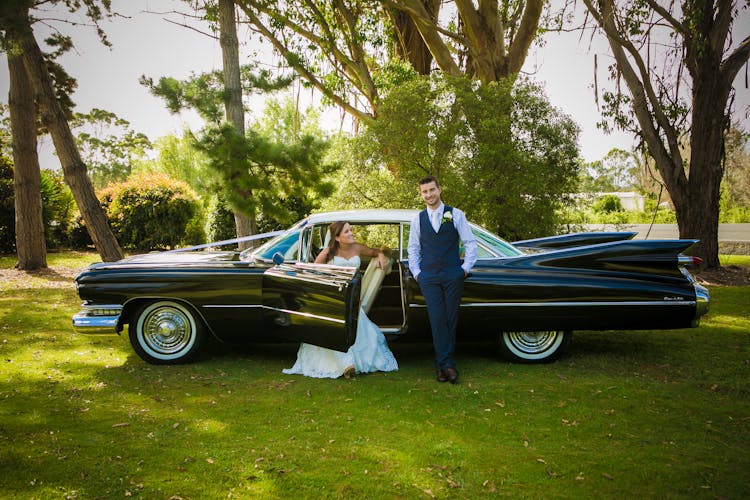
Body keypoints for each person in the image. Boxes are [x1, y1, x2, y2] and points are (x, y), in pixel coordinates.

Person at [283, 221, 398, 379]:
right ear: (337, 237)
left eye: (351, 230)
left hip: (352, 299)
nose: (351, 233)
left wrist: (380, 256)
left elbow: (376, 251)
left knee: (360, 329)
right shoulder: (328, 252)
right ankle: (346, 364)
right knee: (335, 329)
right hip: (335, 299)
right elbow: (313, 273)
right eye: (347, 232)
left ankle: (351, 363)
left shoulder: (357, 247)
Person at [407, 176, 477, 384]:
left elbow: (470, 243)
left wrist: (464, 269)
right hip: (428, 276)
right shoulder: (418, 219)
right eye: (424, 192)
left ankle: (442, 365)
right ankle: (446, 364)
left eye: (431, 190)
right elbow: (413, 248)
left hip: (452, 274)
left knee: (450, 318)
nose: (429, 195)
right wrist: (418, 272)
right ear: (421, 194)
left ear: (439, 189)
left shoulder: (456, 214)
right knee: (437, 319)